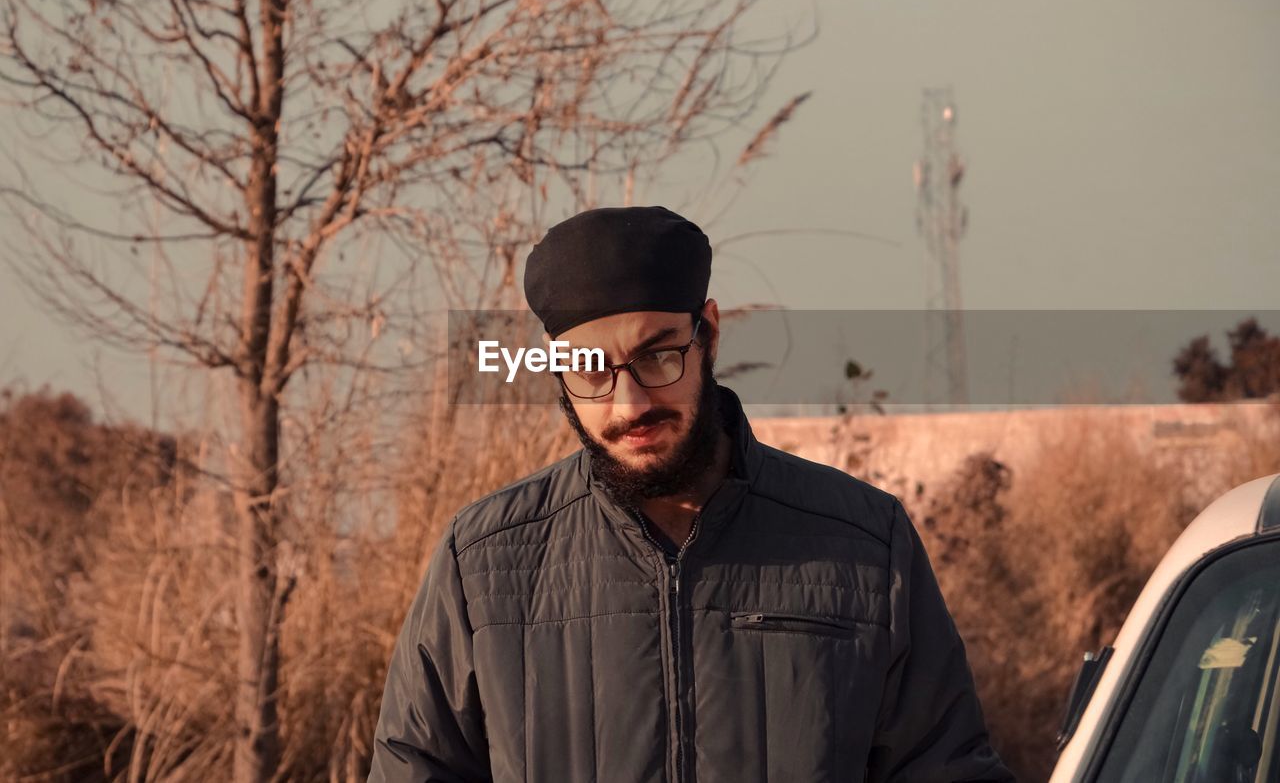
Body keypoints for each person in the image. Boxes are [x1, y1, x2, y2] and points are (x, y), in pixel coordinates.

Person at [368, 206, 1015, 783]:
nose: (630, 402)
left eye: (657, 356)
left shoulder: (864, 545)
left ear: (707, 330)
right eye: (592, 369)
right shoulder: (483, 563)